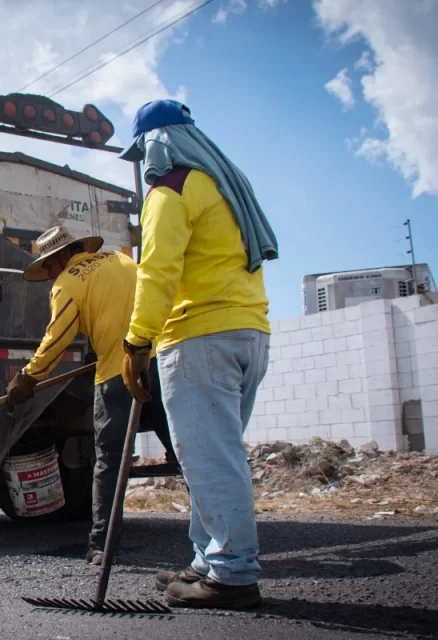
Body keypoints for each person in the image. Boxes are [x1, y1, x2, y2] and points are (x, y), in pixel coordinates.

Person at [118, 99, 278, 610]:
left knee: (210, 460)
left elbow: (157, 271)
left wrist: (137, 342)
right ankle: (207, 560)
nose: (145, 165)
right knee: (209, 458)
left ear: (156, 145)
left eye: (143, 151)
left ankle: (232, 575)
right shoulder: (228, 187)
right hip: (249, 333)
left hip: (199, 337)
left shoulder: (172, 190)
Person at [4, 224, 173, 566]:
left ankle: (102, 545)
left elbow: (58, 338)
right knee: (186, 450)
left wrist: (27, 378)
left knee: (109, 462)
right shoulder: (121, 261)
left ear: (65, 255)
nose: (51, 274)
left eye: (50, 265)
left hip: (119, 374)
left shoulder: (68, 282)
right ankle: (219, 543)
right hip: (162, 364)